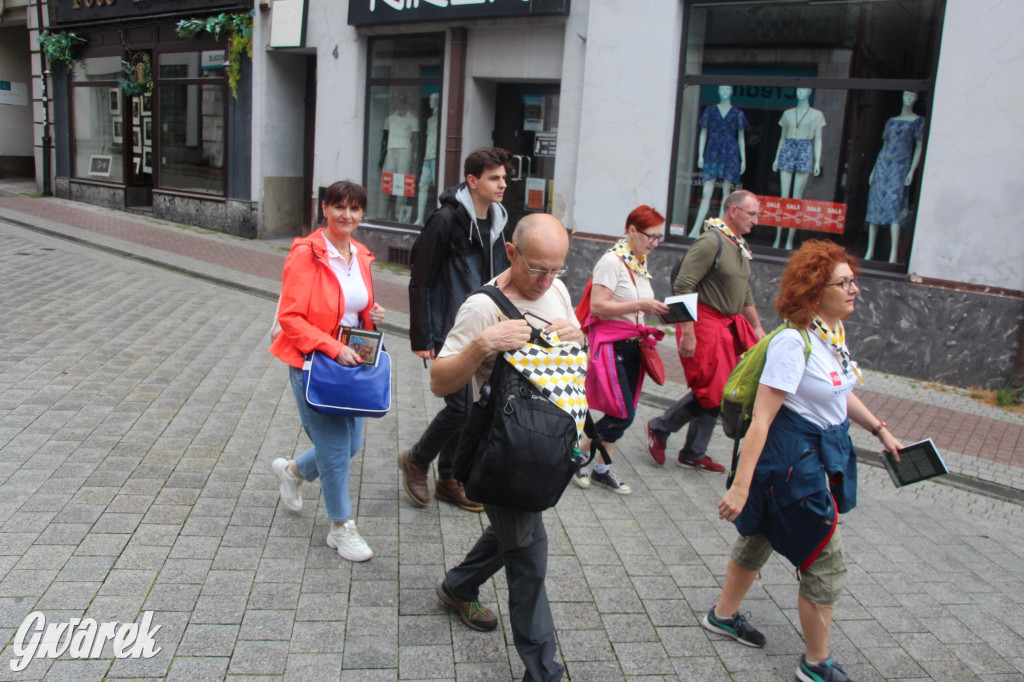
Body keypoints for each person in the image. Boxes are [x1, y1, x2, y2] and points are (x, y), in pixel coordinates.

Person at [704, 240, 903, 682]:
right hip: (791, 462)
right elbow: (762, 420)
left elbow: (840, 392)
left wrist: (881, 430)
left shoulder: (831, 336)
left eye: (855, 281)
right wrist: (740, 486)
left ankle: (722, 615)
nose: (854, 290)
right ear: (815, 292)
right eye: (843, 283)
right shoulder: (794, 343)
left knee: (761, 533)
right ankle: (816, 664)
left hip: (813, 455)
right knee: (826, 561)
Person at [432, 213, 581, 682]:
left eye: (558, 269)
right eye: (538, 268)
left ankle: (458, 585)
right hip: (501, 451)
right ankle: (543, 672)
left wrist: (580, 338)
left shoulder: (556, 289)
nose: (548, 280)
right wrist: (482, 346)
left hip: (546, 442)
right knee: (529, 555)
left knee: (512, 531)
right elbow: (440, 382)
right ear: (512, 253)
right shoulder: (481, 307)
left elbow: (573, 360)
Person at [269, 181, 386, 562]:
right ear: (325, 209)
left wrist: (373, 314)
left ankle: (292, 472)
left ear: (362, 214)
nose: (346, 215)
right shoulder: (307, 254)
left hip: (351, 363)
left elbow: (352, 308)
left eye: (354, 209)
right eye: (339, 207)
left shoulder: (361, 255)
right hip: (315, 363)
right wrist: (333, 346)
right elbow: (290, 317)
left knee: (351, 444)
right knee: (336, 449)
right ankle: (341, 528)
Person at [400, 147, 512, 512]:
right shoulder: (446, 220)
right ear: (472, 180)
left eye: (504, 178)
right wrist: (422, 336)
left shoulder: (497, 221)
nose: (502, 185)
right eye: (494, 178)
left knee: (476, 406)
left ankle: (448, 478)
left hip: (483, 329)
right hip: (448, 330)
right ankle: (417, 459)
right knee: (461, 408)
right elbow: (421, 280)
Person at [646, 190, 766, 472]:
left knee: (717, 390)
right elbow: (684, 286)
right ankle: (661, 428)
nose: (757, 220)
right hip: (705, 324)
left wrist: (757, 327)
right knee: (713, 390)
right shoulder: (711, 241)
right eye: (753, 214)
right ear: (733, 211)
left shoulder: (737, 244)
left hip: (727, 323)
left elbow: (744, 291)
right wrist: (686, 332)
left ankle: (692, 451)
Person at [574, 205, 669, 494]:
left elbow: (635, 306)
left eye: (658, 238)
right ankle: (577, 455)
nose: (654, 244)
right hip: (611, 343)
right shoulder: (612, 261)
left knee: (625, 408)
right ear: (631, 231)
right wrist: (641, 306)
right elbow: (599, 306)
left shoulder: (639, 262)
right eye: (650, 237)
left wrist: (660, 312)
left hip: (634, 345)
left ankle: (601, 468)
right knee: (622, 413)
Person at [864, 91, 925, 264]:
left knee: (894, 205)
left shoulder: (918, 121)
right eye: (906, 94)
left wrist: (912, 171)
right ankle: (870, 250)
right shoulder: (891, 121)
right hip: (883, 164)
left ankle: (893, 254)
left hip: (900, 166)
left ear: (916, 99)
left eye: (912, 95)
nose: (908, 98)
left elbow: (919, 147)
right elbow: (884, 146)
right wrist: (874, 170)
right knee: (875, 204)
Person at [689, 86, 749, 238]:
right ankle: (696, 228)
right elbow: (703, 132)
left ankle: (722, 230)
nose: (724, 92)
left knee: (726, 193)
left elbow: (741, 137)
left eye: (727, 89)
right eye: (721, 89)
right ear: (718, 91)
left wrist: (743, 159)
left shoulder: (737, 113)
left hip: (730, 152)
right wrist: (700, 155)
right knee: (707, 191)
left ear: (731, 92)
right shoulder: (710, 111)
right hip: (713, 151)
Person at [771, 88, 825, 250]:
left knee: (797, 198)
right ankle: (778, 237)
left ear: (809, 92)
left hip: (804, 148)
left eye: (804, 90)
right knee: (784, 197)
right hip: (788, 146)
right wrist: (776, 158)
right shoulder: (788, 113)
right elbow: (782, 138)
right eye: (799, 89)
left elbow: (818, 140)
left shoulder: (817, 115)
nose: (800, 92)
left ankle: (789, 240)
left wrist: (817, 162)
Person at [380, 93, 420, 222]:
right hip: (390, 149)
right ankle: (382, 212)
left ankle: (399, 214)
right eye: (400, 102)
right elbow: (384, 138)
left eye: (404, 102)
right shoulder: (389, 119)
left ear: (406, 104)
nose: (401, 105)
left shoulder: (413, 120)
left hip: (404, 150)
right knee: (386, 180)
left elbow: (415, 141)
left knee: (402, 181)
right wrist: (382, 156)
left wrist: (414, 158)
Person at [414, 93, 440, 225]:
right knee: (423, 185)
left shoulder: (441, 119)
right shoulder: (430, 120)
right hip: (428, 157)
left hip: (436, 157)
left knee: (437, 187)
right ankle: (419, 218)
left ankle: (437, 220)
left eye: (432, 100)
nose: (430, 102)